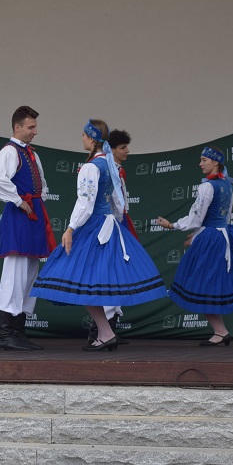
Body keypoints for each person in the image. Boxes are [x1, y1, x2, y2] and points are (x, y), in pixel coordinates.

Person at [31, 120, 167, 351]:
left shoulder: (92, 167)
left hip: (93, 226)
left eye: (84, 135)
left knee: (84, 281)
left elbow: (85, 203)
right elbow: (118, 202)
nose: (82, 138)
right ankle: (106, 333)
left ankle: (105, 333)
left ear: (92, 138)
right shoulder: (110, 164)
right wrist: (117, 224)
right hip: (108, 224)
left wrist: (70, 228)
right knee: (93, 283)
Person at [156, 146, 233, 345]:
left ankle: (221, 331)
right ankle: (220, 331)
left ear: (215, 162)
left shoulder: (207, 186)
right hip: (221, 235)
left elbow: (196, 217)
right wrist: (198, 235)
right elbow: (226, 216)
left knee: (200, 284)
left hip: (210, 238)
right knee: (208, 285)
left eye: (204, 160)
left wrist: (172, 225)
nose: (200, 164)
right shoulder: (227, 185)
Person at [0, 106, 56, 351]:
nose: (35, 132)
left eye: (35, 127)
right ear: (17, 127)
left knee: (29, 274)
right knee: (14, 273)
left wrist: (37, 201)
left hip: (32, 214)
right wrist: (18, 201)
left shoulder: (31, 154)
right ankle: (6, 333)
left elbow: (42, 184)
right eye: (31, 127)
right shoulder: (9, 151)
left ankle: (18, 331)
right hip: (19, 215)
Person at [89, 128, 135, 345]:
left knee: (116, 274)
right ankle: (99, 331)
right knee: (105, 274)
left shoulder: (117, 170)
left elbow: (121, 202)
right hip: (107, 224)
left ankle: (111, 329)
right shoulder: (103, 169)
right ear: (112, 149)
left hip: (118, 222)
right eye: (123, 147)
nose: (127, 151)